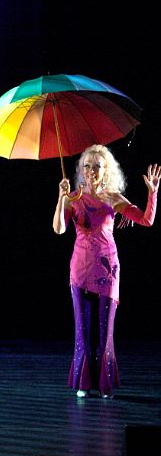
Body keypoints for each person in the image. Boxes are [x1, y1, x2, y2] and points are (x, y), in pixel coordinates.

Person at [53, 144, 158, 398]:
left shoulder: (113, 198)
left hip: (107, 271)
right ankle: (83, 382)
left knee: (105, 331)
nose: (91, 171)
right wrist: (61, 198)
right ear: (81, 170)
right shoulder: (73, 197)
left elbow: (146, 220)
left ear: (106, 170)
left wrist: (152, 193)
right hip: (80, 269)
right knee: (82, 330)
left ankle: (105, 384)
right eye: (87, 166)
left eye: (97, 166)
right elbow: (59, 229)